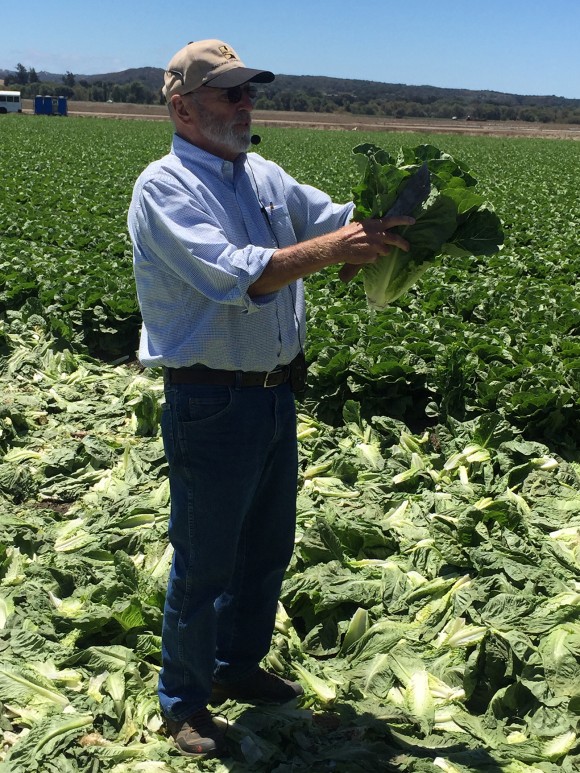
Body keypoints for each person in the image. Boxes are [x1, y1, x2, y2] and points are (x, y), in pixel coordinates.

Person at [127, 38, 413, 759]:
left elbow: (333, 217)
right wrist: (332, 251)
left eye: (249, 90)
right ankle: (183, 701)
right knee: (205, 558)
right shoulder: (165, 187)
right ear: (183, 106)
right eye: (229, 93)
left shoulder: (261, 175)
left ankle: (236, 665)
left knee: (266, 547)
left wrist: (416, 209)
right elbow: (240, 275)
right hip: (210, 401)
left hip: (273, 393)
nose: (246, 103)